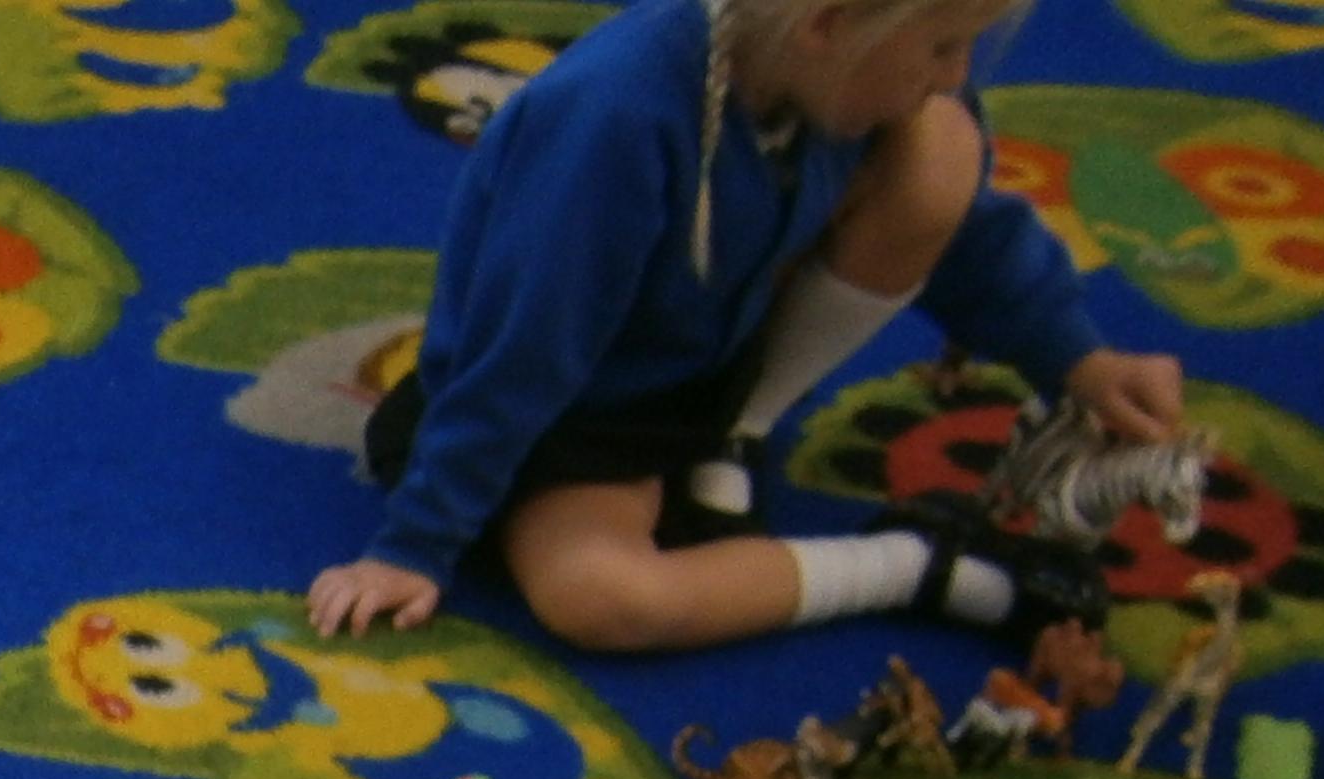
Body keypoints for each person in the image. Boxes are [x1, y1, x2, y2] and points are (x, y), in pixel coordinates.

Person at [305, 0, 1187, 654]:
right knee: (598, 598)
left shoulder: (820, 66)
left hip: (708, 353)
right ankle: (919, 563)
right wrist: (417, 544)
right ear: (827, 24)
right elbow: (521, 356)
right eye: (943, 46)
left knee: (942, 145)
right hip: (579, 406)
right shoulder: (615, 117)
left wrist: (1080, 361)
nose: (956, 72)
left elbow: (970, 235)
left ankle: (737, 428)